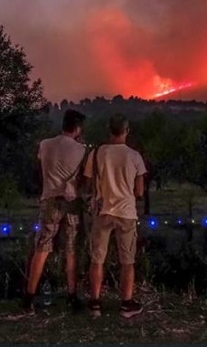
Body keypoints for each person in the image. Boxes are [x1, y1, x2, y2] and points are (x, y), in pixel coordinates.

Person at [21, 109, 88, 314]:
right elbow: (83, 180)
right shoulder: (82, 149)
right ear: (77, 128)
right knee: (70, 249)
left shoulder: (45, 144)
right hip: (71, 203)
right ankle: (71, 295)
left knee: (42, 247)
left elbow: (40, 169)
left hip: (49, 199)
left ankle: (29, 297)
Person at [83, 113, 147, 318]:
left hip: (103, 211)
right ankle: (126, 304)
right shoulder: (135, 156)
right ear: (127, 131)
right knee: (127, 261)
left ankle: (95, 304)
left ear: (109, 130)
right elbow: (139, 192)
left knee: (97, 259)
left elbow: (88, 182)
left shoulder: (96, 153)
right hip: (126, 212)